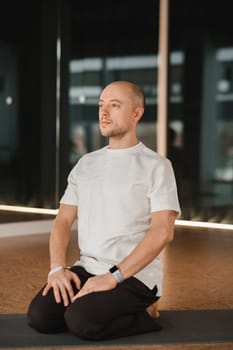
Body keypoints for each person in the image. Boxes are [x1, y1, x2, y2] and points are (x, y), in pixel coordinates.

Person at [27, 80, 180, 340]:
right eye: (101, 105)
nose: (103, 112)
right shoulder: (86, 164)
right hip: (88, 268)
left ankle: (147, 311)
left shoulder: (157, 166)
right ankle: (94, 307)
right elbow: (63, 220)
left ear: (137, 113)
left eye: (114, 105)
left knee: (82, 320)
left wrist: (114, 277)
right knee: (40, 316)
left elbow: (162, 232)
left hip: (135, 275)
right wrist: (57, 269)